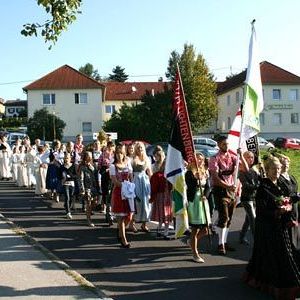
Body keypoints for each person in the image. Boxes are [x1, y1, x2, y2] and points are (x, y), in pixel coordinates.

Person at [244, 156, 300, 300]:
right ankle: (275, 285)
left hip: (281, 225)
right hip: (268, 227)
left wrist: (290, 203)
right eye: (273, 169)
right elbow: (261, 211)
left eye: (278, 169)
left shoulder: (281, 182)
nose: (276, 172)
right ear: (267, 170)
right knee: (276, 256)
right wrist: (277, 211)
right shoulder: (263, 187)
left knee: (285, 254)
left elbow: (288, 197)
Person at [209, 135, 242, 255]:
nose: (226, 146)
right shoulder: (214, 158)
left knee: (229, 219)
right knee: (223, 217)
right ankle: (220, 244)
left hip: (232, 191)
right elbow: (215, 177)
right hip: (221, 190)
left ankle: (225, 241)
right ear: (218, 145)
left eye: (227, 144)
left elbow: (244, 168)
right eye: (223, 144)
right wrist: (227, 186)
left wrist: (241, 155)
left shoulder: (233, 157)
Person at [185, 153, 210, 263]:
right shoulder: (189, 173)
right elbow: (189, 186)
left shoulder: (205, 171)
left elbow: (209, 187)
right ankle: (195, 253)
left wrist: (206, 195)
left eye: (201, 159)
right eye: (198, 159)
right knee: (195, 229)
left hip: (203, 201)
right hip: (194, 201)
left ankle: (191, 241)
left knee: (205, 229)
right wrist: (196, 179)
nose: (200, 161)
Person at [110, 144, 134, 248]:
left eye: (121, 153)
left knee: (129, 215)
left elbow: (131, 176)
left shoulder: (128, 163)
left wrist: (131, 186)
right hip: (119, 192)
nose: (119, 155)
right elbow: (115, 181)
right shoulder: (112, 166)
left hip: (128, 192)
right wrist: (125, 185)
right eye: (117, 153)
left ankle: (120, 231)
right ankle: (124, 240)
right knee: (121, 217)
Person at [277, 154, 300, 252]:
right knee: (288, 232)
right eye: (283, 165)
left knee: (296, 230)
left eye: (287, 164)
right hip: (286, 209)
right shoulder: (279, 179)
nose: (286, 166)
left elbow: (295, 191)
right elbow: (281, 197)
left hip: (295, 208)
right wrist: (295, 197)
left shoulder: (291, 177)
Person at [150, 146, 172, 239]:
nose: (159, 156)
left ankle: (165, 231)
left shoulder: (167, 165)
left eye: (160, 154)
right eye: (157, 155)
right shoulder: (154, 166)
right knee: (161, 211)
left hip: (166, 191)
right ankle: (160, 229)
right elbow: (154, 179)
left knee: (166, 211)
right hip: (159, 191)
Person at [238, 151, 260, 245]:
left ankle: (241, 237)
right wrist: (257, 186)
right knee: (253, 219)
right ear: (244, 158)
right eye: (248, 157)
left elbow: (261, 180)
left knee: (248, 220)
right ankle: (257, 240)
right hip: (246, 198)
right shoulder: (241, 171)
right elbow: (246, 185)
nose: (251, 159)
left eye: (252, 157)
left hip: (254, 197)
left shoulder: (255, 170)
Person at [132, 142, 152, 232]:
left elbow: (149, 172)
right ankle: (132, 223)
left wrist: (153, 181)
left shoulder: (147, 159)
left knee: (146, 202)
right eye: (138, 147)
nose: (140, 149)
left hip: (144, 181)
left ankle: (144, 224)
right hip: (136, 180)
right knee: (136, 201)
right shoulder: (132, 158)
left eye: (141, 147)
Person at [79, 151, 98, 227]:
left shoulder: (93, 165)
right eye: (88, 156)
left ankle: (89, 212)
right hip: (87, 188)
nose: (90, 157)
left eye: (91, 156)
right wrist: (82, 189)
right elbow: (81, 179)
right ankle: (89, 219)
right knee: (89, 204)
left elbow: (95, 175)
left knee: (95, 202)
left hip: (93, 187)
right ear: (85, 157)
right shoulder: (82, 167)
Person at [61, 153, 77, 219]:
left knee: (70, 197)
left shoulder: (73, 166)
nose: (66, 159)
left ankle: (67, 206)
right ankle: (68, 212)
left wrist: (70, 176)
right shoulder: (62, 167)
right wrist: (62, 177)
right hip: (65, 183)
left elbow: (76, 175)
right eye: (65, 158)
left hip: (72, 183)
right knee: (67, 197)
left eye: (67, 158)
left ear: (70, 159)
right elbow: (59, 175)